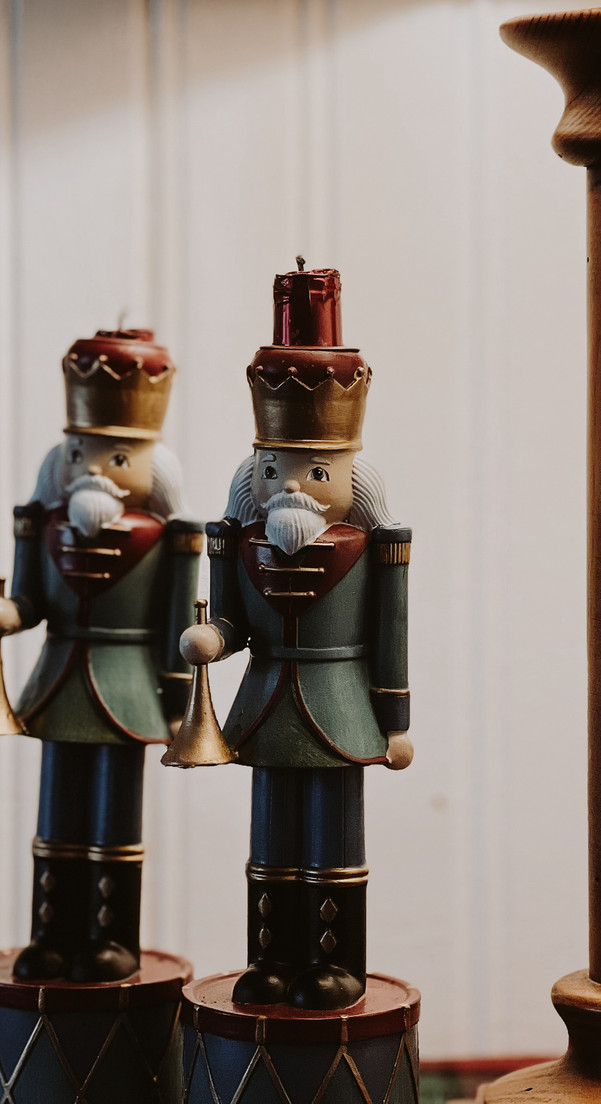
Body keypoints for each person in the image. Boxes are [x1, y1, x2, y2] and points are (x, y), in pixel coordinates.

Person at [181, 268, 411, 1010]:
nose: (296, 491)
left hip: (344, 701)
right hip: (267, 702)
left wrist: (398, 721)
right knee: (271, 844)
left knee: (333, 845)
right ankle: (274, 956)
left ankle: (333, 961)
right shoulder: (243, 539)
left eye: (317, 472)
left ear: (352, 476)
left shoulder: (377, 548)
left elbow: (390, 635)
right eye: (277, 470)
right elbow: (233, 621)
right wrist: (212, 637)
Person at [0, 328, 202, 982]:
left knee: (114, 818)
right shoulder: (46, 526)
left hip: (129, 683)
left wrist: (179, 697)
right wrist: (5, 614)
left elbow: (173, 620)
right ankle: (52, 931)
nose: (95, 471)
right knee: (58, 815)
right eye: (81, 453)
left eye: (116, 457)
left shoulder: (168, 537)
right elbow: (28, 600)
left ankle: (112, 938)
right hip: (59, 678)